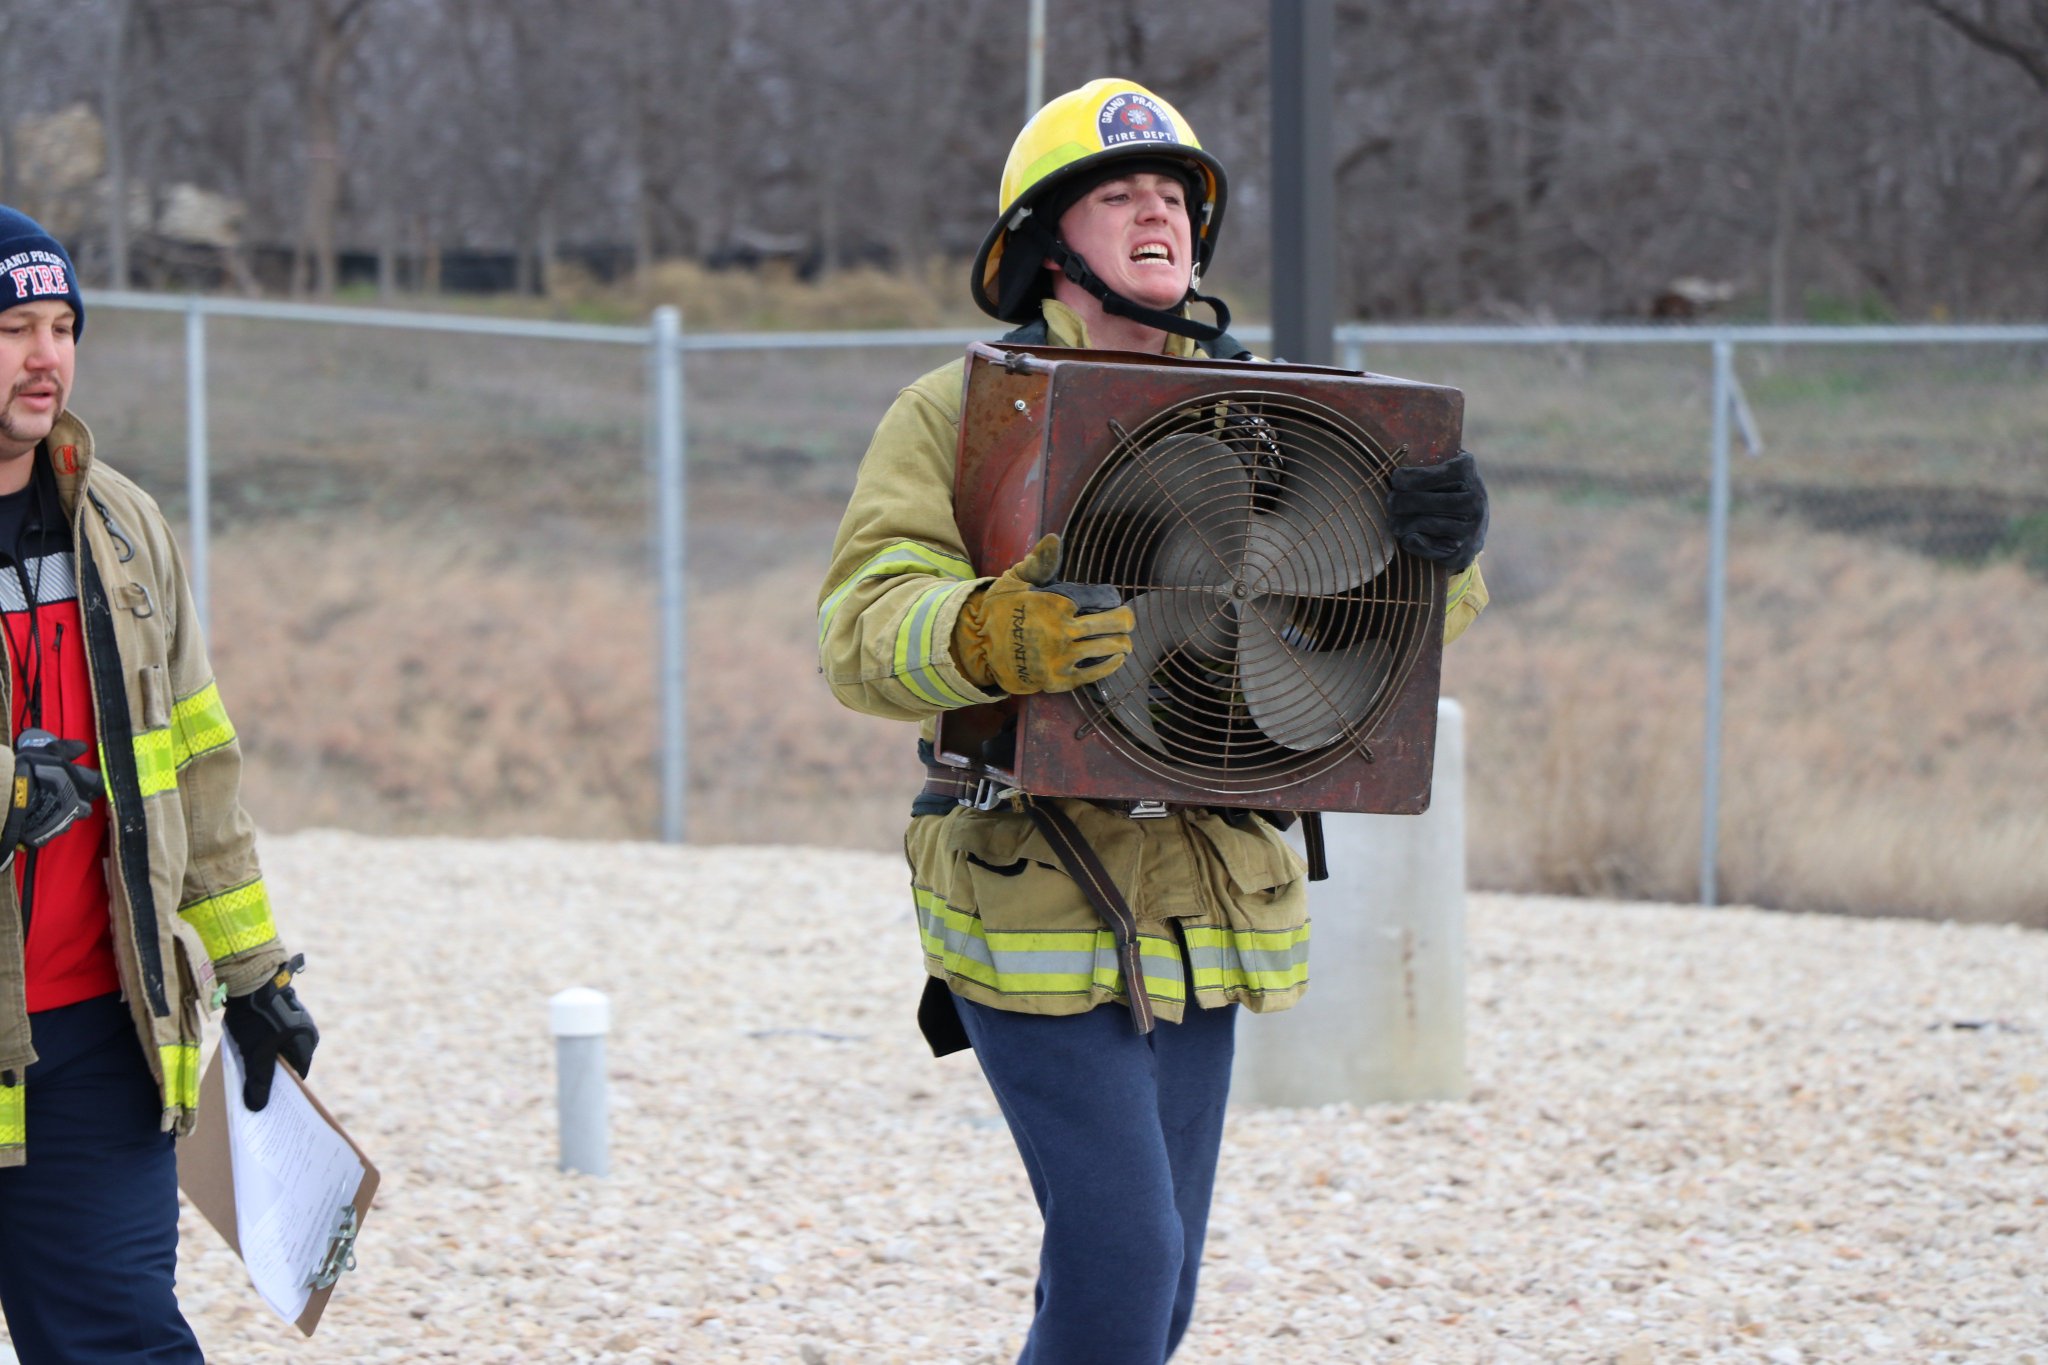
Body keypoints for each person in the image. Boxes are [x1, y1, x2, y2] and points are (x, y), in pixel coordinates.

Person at [816, 80, 1489, 1363]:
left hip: (1203, 905)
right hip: (1029, 895)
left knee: (1155, 1287)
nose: (1157, 220)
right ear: (1044, 246)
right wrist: (977, 634)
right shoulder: (958, 413)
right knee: (1126, 1264)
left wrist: (1441, 557)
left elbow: (1372, 644)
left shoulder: (1274, 419)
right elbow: (858, 625)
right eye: (1118, 196)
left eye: (1174, 200)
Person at [0, 205, 318, 1361]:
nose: (46, 358)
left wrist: (254, 969)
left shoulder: (122, 528)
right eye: (12, 328)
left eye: (60, 326)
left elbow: (195, 763)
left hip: (95, 1039)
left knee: (123, 1340)